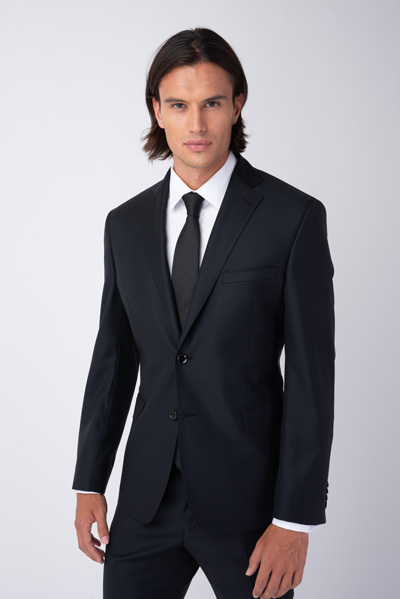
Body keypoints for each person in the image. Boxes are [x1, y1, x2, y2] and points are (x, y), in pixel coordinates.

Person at [72, 27, 335, 599]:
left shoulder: (292, 218)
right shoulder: (125, 224)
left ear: (237, 104)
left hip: (250, 508)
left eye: (212, 103)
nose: (196, 124)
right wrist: (89, 481)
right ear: (156, 110)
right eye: (179, 105)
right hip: (145, 502)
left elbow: (312, 379)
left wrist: (294, 519)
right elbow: (112, 360)